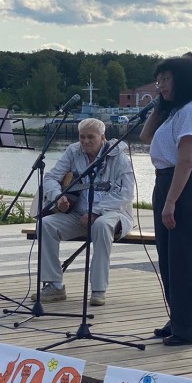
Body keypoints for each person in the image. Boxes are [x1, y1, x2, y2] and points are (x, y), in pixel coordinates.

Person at [139, 57, 192, 346]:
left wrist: (171, 202)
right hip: (166, 182)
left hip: (185, 186)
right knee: (169, 258)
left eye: (166, 79)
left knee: (185, 259)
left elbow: (187, 160)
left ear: (182, 80)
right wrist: (159, 106)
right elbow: (145, 136)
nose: (160, 85)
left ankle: (189, 328)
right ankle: (178, 318)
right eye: (158, 80)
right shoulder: (175, 112)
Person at [33, 118, 134, 306]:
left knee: (101, 225)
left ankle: (98, 290)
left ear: (102, 137)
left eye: (90, 137)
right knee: (45, 224)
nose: (85, 141)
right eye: (82, 137)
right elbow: (51, 178)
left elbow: (126, 193)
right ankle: (54, 285)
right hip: (79, 214)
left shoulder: (119, 157)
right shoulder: (73, 151)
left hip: (113, 213)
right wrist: (58, 196)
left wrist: (95, 211)